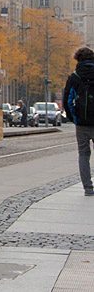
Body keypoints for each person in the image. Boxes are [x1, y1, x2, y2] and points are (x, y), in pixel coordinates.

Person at [62, 46, 94, 196]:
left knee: (83, 154)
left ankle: (88, 188)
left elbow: (67, 101)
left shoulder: (74, 77)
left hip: (81, 123)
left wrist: (73, 118)